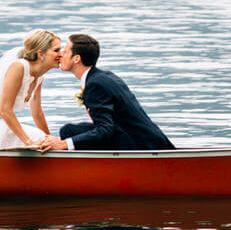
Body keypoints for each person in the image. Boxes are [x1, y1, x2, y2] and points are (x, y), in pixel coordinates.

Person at [37, 34, 173, 151]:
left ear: (76, 58)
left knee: (69, 136)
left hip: (140, 145)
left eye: (65, 51)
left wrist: (63, 144)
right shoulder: (103, 76)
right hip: (143, 138)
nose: (60, 54)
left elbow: (105, 130)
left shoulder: (95, 84)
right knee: (68, 131)